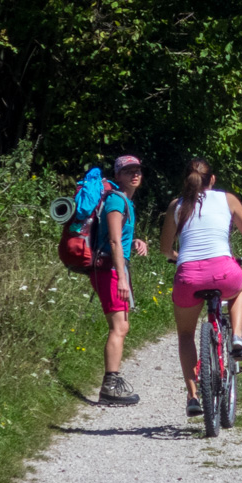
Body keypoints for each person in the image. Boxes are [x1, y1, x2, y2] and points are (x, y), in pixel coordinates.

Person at [161, 158, 242, 418]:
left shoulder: (177, 206)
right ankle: (237, 337)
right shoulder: (227, 200)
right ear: (212, 180)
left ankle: (193, 395)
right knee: (239, 288)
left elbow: (165, 248)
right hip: (223, 272)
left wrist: (177, 256)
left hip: (188, 276)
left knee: (186, 335)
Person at [93, 154, 151, 405]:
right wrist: (122, 280)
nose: (134, 174)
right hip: (110, 268)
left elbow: (121, 237)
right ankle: (110, 386)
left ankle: (112, 383)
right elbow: (115, 240)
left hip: (114, 267)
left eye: (137, 170)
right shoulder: (116, 201)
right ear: (117, 175)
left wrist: (136, 240)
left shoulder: (125, 201)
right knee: (119, 327)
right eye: (128, 171)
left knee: (122, 326)